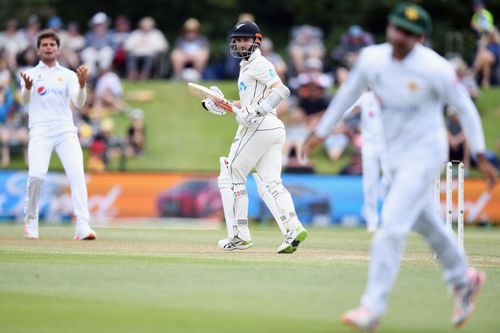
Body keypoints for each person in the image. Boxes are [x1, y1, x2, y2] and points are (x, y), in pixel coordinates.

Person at [302, 3, 498, 331]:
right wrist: (319, 133)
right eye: (396, 29)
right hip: (394, 156)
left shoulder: (434, 68)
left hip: (425, 154)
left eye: (408, 33)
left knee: (390, 226)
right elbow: (345, 95)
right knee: (427, 222)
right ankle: (464, 278)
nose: (400, 37)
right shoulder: (372, 59)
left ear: (420, 36)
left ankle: (372, 307)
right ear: (389, 29)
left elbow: (465, 108)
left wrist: (479, 153)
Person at [201, 21, 308, 253]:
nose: (240, 43)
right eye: (238, 40)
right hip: (272, 129)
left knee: (232, 174)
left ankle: (240, 235)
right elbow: (247, 105)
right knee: (272, 182)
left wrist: (258, 110)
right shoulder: (247, 64)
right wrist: (225, 105)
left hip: (261, 126)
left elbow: (281, 90)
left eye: (245, 39)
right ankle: (294, 227)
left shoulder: (259, 63)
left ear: (256, 40)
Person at [19, 29, 96, 240]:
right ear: (38, 49)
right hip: (40, 131)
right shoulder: (30, 74)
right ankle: (31, 220)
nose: (48, 48)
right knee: (36, 175)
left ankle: (82, 225)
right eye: (44, 45)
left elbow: (79, 103)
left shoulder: (70, 75)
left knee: (77, 174)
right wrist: (26, 88)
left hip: (65, 130)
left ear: (58, 49)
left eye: (52, 44)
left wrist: (82, 85)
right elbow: (25, 103)